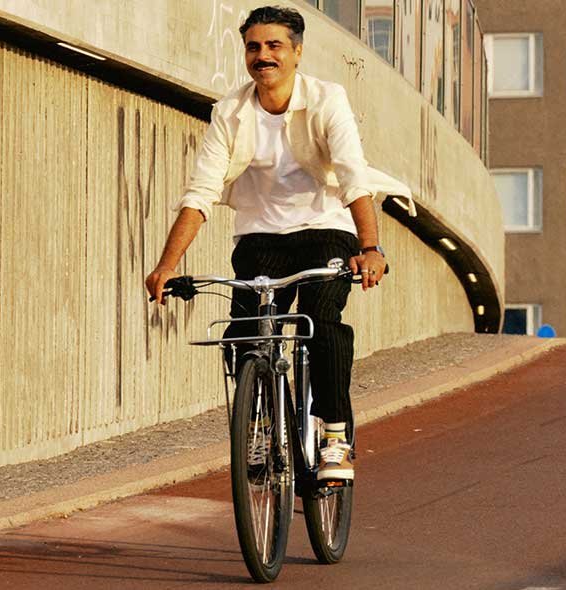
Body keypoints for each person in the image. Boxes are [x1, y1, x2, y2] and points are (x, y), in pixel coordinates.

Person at [141, 6, 389, 482]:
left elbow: (353, 178)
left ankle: (334, 436)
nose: (263, 56)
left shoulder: (326, 100)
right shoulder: (229, 113)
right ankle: (259, 425)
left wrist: (371, 247)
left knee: (321, 320)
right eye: (253, 47)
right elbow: (201, 192)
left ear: (297, 52)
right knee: (244, 331)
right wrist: (167, 264)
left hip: (325, 229)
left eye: (274, 46)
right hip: (260, 238)